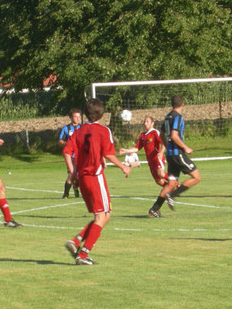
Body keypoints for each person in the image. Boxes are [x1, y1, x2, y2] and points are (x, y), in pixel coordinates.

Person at [62, 99, 130, 265]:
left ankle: (77, 241)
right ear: (102, 113)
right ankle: (83, 255)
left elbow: (66, 152)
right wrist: (123, 166)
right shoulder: (103, 130)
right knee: (102, 216)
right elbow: (108, 154)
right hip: (95, 176)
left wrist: (73, 173)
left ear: (85, 114)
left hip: (83, 178)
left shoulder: (78, 131)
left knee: (104, 216)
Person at [148, 94, 201, 217]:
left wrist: (167, 146)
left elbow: (161, 134)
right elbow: (174, 135)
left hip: (170, 155)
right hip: (177, 154)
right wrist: (185, 147)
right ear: (182, 104)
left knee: (171, 183)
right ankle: (172, 195)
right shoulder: (178, 117)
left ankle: (154, 209)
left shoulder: (168, 117)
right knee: (196, 177)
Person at [119, 116, 168, 187]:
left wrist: (161, 153)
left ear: (152, 123)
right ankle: (172, 191)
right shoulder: (143, 135)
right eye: (144, 122)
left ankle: (177, 184)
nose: (145, 123)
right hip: (150, 160)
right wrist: (126, 150)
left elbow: (164, 142)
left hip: (157, 158)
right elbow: (137, 148)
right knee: (158, 181)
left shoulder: (155, 132)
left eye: (147, 122)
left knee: (161, 174)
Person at [58, 108, 82, 198]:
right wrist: (67, 144)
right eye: (75, 117)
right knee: (71, 175)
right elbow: (60, 141)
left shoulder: (82, 128)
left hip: (81, 156)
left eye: (79, 117)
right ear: (71, 118)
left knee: (81, 177)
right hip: (71, 157)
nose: (77, 118)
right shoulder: (66, 128)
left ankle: (75, 186)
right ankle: (66, 194)